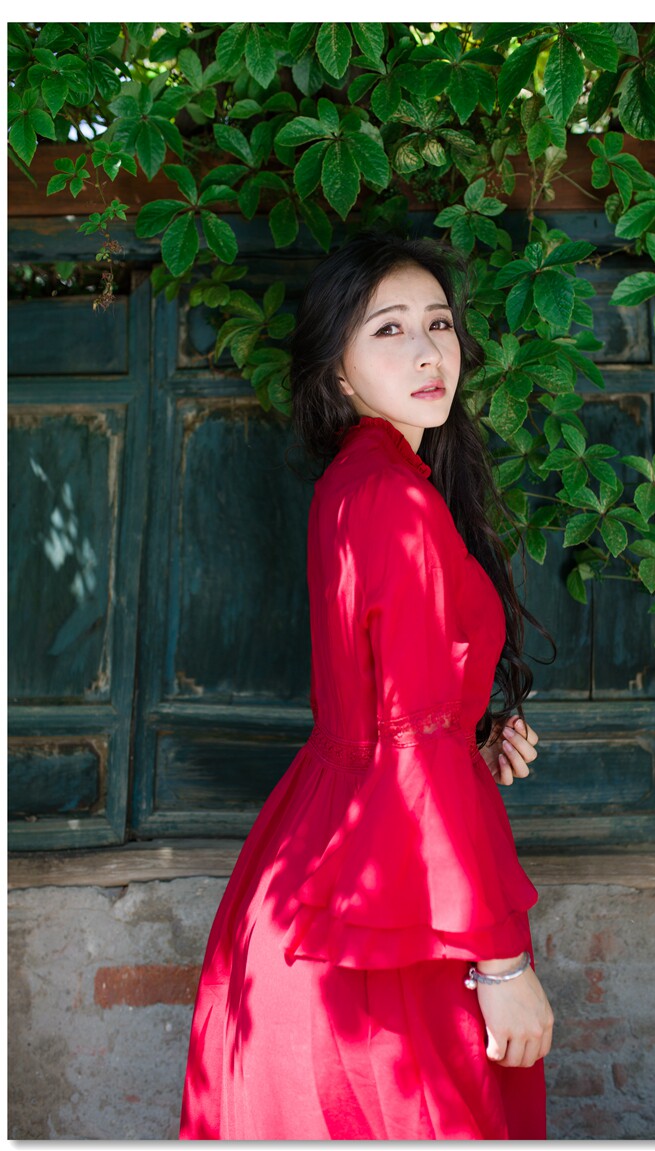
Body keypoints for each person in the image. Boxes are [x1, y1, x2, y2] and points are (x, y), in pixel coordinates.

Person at [179, 233, 553, 1140]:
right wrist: (501, 964)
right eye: (389, 329)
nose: (427, 351)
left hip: (333, 852)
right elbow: (410, 743)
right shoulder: (393, 498)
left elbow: (402, 718)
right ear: (338, 373)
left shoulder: (360, 482)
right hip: (378, 910)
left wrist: (468, 734)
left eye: (439, 324)